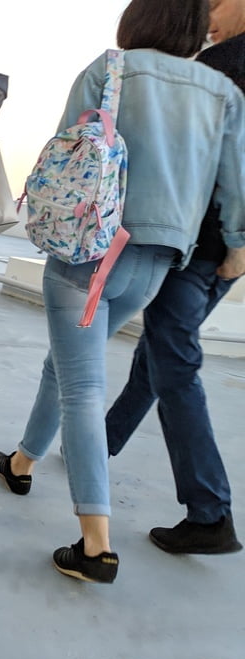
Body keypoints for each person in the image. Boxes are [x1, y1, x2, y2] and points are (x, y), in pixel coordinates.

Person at [0, 0, 245, 584]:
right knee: (66, 364)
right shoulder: (221, 92)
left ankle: (95, 546)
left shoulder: (111, 69)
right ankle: (22, 462)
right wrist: (235, 246)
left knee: (82, 385)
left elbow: (64, 152)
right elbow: (235, 184)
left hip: (89, 254)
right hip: (156, 265)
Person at [102, 0, 245, 556]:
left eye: (215, 2)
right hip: (224, 245)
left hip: (205, 242)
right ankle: (102, 441)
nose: (206, 13)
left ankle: (210, 513)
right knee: (161, 352)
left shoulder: (223, 68)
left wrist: (234, 241)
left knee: (174, 363)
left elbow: (218, 163)